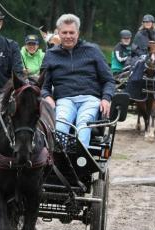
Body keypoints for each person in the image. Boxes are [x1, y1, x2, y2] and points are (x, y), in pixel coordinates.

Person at [41, 14, 115, 148]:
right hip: (64, 99)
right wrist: (47, 97)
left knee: (83, 123)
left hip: (90, 99)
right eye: (64, 32)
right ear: (58, 33)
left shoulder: (93, 50)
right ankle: (60, 159)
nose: (68, 36)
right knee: (61, 123)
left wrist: (106, 98)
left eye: (72, 32)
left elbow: (109, 80)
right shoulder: (50, 55)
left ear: (78, 33)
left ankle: (81, 161)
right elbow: (42, 86)